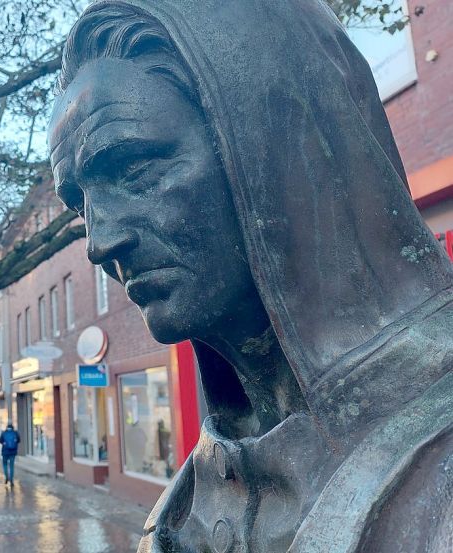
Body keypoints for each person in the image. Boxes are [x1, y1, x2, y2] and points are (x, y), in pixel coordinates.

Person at [49, 1, 453, 551]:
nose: (99, 243)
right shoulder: (183, 509)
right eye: (80, 205)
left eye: (135, 169)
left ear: (273, 142)